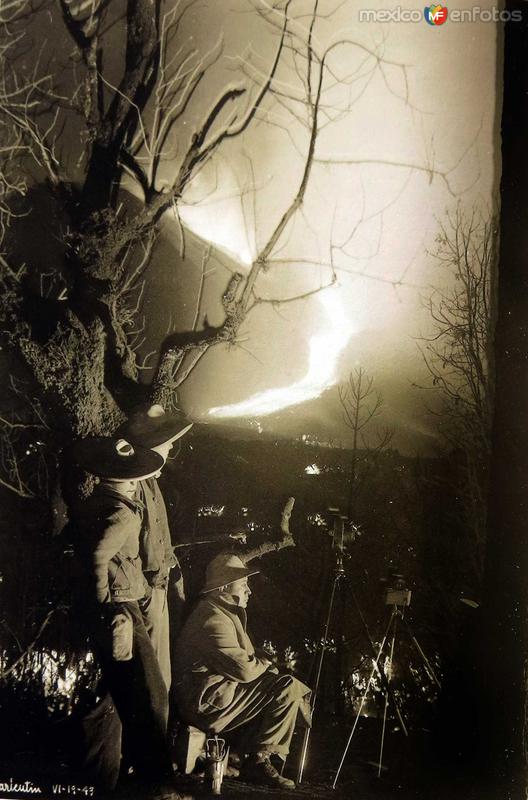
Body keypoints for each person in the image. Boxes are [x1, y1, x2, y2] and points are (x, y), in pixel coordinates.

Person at [70, 436, 190, 800]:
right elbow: (98, 556)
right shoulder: (121, 511)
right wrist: (106, 604)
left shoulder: (99, 501)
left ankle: (144, 778)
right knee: (149, 694)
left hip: (118, 604)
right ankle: (155, 782)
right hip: (122, 606)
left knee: (136, 692)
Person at [173, 553, 311, 790]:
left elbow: (243, 657)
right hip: (206, 703)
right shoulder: (212, 619)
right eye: (244, 585)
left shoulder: (222, 613)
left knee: (278, 684)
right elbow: (245, 670)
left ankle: (243, 755)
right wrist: (266, 664)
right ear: (225, 586)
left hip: (217, 694)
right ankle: (258, 760)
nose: (249, 592)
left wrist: (262, 662)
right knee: (287, 687)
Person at [119, 403, 193, 692]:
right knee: (148, 682)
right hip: (146, 594)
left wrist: (172, 570)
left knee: (160, 678)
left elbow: (159, 537)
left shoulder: (152, 484)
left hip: (157, 591)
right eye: (168, 445)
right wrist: (148, 592)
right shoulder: (133, 486)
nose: (170, 451)